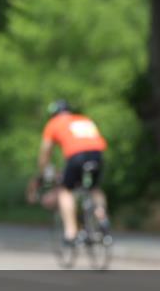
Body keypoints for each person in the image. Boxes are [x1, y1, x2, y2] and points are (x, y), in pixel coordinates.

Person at [36, 100, 109, 246]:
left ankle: (71, 232)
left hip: (77, 156)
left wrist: (44, 169)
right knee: (94, 188)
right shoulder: (84, 119)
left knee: (65, 191)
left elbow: (45, 152)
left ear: (54, 114)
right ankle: (101, 216)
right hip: (97, 154)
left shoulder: (53, 123)